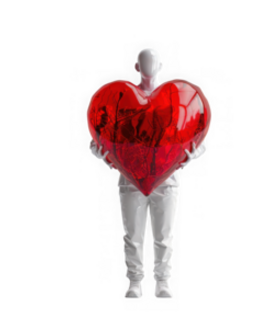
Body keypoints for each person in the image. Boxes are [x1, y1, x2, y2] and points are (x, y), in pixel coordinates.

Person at [88, 47, 206, 300]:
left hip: (167, 178)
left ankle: (163, 281)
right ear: (136, 66)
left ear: (161, 67)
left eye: (153, 61)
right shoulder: (119, 98)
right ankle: (135, 282)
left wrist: (190, 155)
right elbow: (99, 133)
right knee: (133, 235)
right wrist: (102, 154)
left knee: (164, 235)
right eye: (144, 61)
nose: (149, 66)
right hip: (129, 179)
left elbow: (198, 138)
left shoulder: (177, 98)